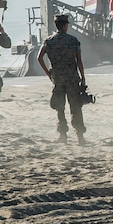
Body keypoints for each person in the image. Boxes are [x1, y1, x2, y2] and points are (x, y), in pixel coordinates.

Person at [37, 14, 87, 144]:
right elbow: (79, 61)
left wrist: (48, 73)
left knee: (60, 107)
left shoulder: (49, 41)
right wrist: (83, 78)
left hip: (58, 79)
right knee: (75, 107)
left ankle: (63, 136)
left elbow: (39, 58)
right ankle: (80, 137)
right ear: (65, 25)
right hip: (72, 78)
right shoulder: (73, 40)